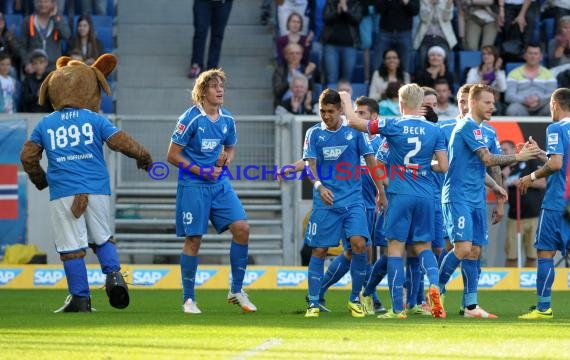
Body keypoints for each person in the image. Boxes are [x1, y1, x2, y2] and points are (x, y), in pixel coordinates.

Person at [19, 54, 152, 312]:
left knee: (70, 246)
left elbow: (27, 157)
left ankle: (80, 298)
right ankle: (114, 276)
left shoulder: (46, 124)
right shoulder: (95, 119)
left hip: (63, 191)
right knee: (102, 237)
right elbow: (121, 141)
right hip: (97, 188)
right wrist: (144, 157)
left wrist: (41, 180)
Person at [346, 83, 449, 319]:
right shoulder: (436, 130)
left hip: (400, 193)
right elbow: (443, 166)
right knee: (424, 247)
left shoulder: (392, 124)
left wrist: (345, 99)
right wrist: (423, 167)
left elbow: (355, 123)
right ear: (421, 103)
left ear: (400, 104)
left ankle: (397, 309)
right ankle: (434, 286)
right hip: (425, 194)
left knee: (394, 249)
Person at [437, 84, 539, 318]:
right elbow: (487, 157)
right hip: (457, 196)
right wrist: (518, 156)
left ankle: (470, 306)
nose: (493, 106)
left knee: (474, 251)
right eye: (487, 102)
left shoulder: (487, 131)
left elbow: (487, 166)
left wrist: (497, 189)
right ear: (472, 103)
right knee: (461, 248)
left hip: (476, 198)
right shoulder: (466, 126)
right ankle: (435, 291)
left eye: (493, 102)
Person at [166, 69, 257, 315]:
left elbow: (230, 147)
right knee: (194, 240)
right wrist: (200, 170)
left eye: (222, 87)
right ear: (203, 91)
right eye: (215, 86)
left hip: (219, 185)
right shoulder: (191, 118)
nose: (220, 90)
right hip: (193, 186)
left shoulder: (228, 119)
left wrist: (225, 161)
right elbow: (172, 155)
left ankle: (236, 290)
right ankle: (188, 300)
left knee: (242, 228)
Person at [302, 88, 387, 318]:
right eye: (322, 111)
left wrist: (381, 192)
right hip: (326, 201)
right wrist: (319, 186)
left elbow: (371, 162)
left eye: (330, 111)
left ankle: (354, 299)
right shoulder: (313, 134)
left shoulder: (354, 132)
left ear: (340, 110)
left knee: (360, 245)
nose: (326, 115)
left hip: (353, 200)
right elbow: (310, 166)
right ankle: (313, 302)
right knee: (319, 250)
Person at [518, 88, 570, 320]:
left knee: (545, 253)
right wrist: (541, 153)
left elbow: (557, 165)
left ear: (555, 104)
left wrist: (530, 177)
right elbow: (558, 160)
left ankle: (543, 307)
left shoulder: (556, 128)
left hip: (558, 203)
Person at [500, 140, 545, 267]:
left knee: (532, 256)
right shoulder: (504, 168)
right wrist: (504, 178)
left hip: (533, 216)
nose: (502, 153)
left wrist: (523, 181)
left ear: (514, 150)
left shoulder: (530, 162)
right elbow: (504, 195)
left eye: (505, 150)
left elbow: (542, 183)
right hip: (514, 217)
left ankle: (528, 284)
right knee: (511, 256)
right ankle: (510, 285)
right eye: (500, 151)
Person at [505, 42, 557, 116]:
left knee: (554, 109)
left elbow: (553, 95)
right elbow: (509, 96)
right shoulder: (513, 74)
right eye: (530, 53)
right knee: (512, 110)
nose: (533, 56)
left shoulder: (549, 74)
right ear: (525, 56)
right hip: (521, 106)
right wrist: (524, 100)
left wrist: (538, 99)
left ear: (541, 56)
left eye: (536, 54)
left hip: (542, 106)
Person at [19, 0, 71, 74]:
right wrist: (27, 63)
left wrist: (55, 17)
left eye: (46, 1)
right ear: (36, 3)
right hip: (34, 67)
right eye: (40, 1)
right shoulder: (28, 21)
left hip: (53, 68)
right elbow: (22, 46)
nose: (43, 4)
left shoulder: (58, 19)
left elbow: (66, 35)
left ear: (52, 3)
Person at [320, 0, 362, 85]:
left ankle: (345, 98)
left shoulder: (356, 3)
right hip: (330, 45)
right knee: (332, 78)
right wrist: (337, 12)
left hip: (350, 46)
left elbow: (357, 20)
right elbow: (326, 19)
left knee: (347, 79)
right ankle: (331, 98)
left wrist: (346, 11)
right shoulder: (331, 2)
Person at [187, 0, 234, 79]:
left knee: (217, 34)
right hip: (202, 2)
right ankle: (197, 64)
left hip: (223, 3)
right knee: (200, 31)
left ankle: (212, 67)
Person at [373, 0, 419, 74]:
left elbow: (415, 11)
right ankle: (375, 84)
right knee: (378, 64)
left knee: (405, 65)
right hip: (385, 33)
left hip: (404, 33)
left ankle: (405, 84)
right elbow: (377, 9)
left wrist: (406, 1)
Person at [413, 0, 457, 68]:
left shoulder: (446, 1)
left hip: (442, 37)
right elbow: (424, 18)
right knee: (423, 56)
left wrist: (448, 6)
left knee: (446, 57)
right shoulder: (423, 1)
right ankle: (423, 77)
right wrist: (430, 4)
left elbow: (447, 18)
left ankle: (444, 77)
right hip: (426, 37)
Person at [272, 42, 316, 107]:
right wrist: (292, 78)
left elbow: (312, 90)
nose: (295, 56)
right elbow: (277, 92)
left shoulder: (306, 69)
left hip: (303, 104)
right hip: (284, 105)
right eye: (291, 53)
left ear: (301, 56)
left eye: (298, 53)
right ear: (286, 56)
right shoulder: (280, 70)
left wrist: (306, 75)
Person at [20, 48, 51, 112]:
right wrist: (36, 95)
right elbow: (24, 99)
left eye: (41, 62)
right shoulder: (27, 79)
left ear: (46, 63)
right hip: (32, 114)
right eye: (35, 63)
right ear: (32, 65)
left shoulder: (51, 78)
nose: (38, 66)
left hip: (48, 114)